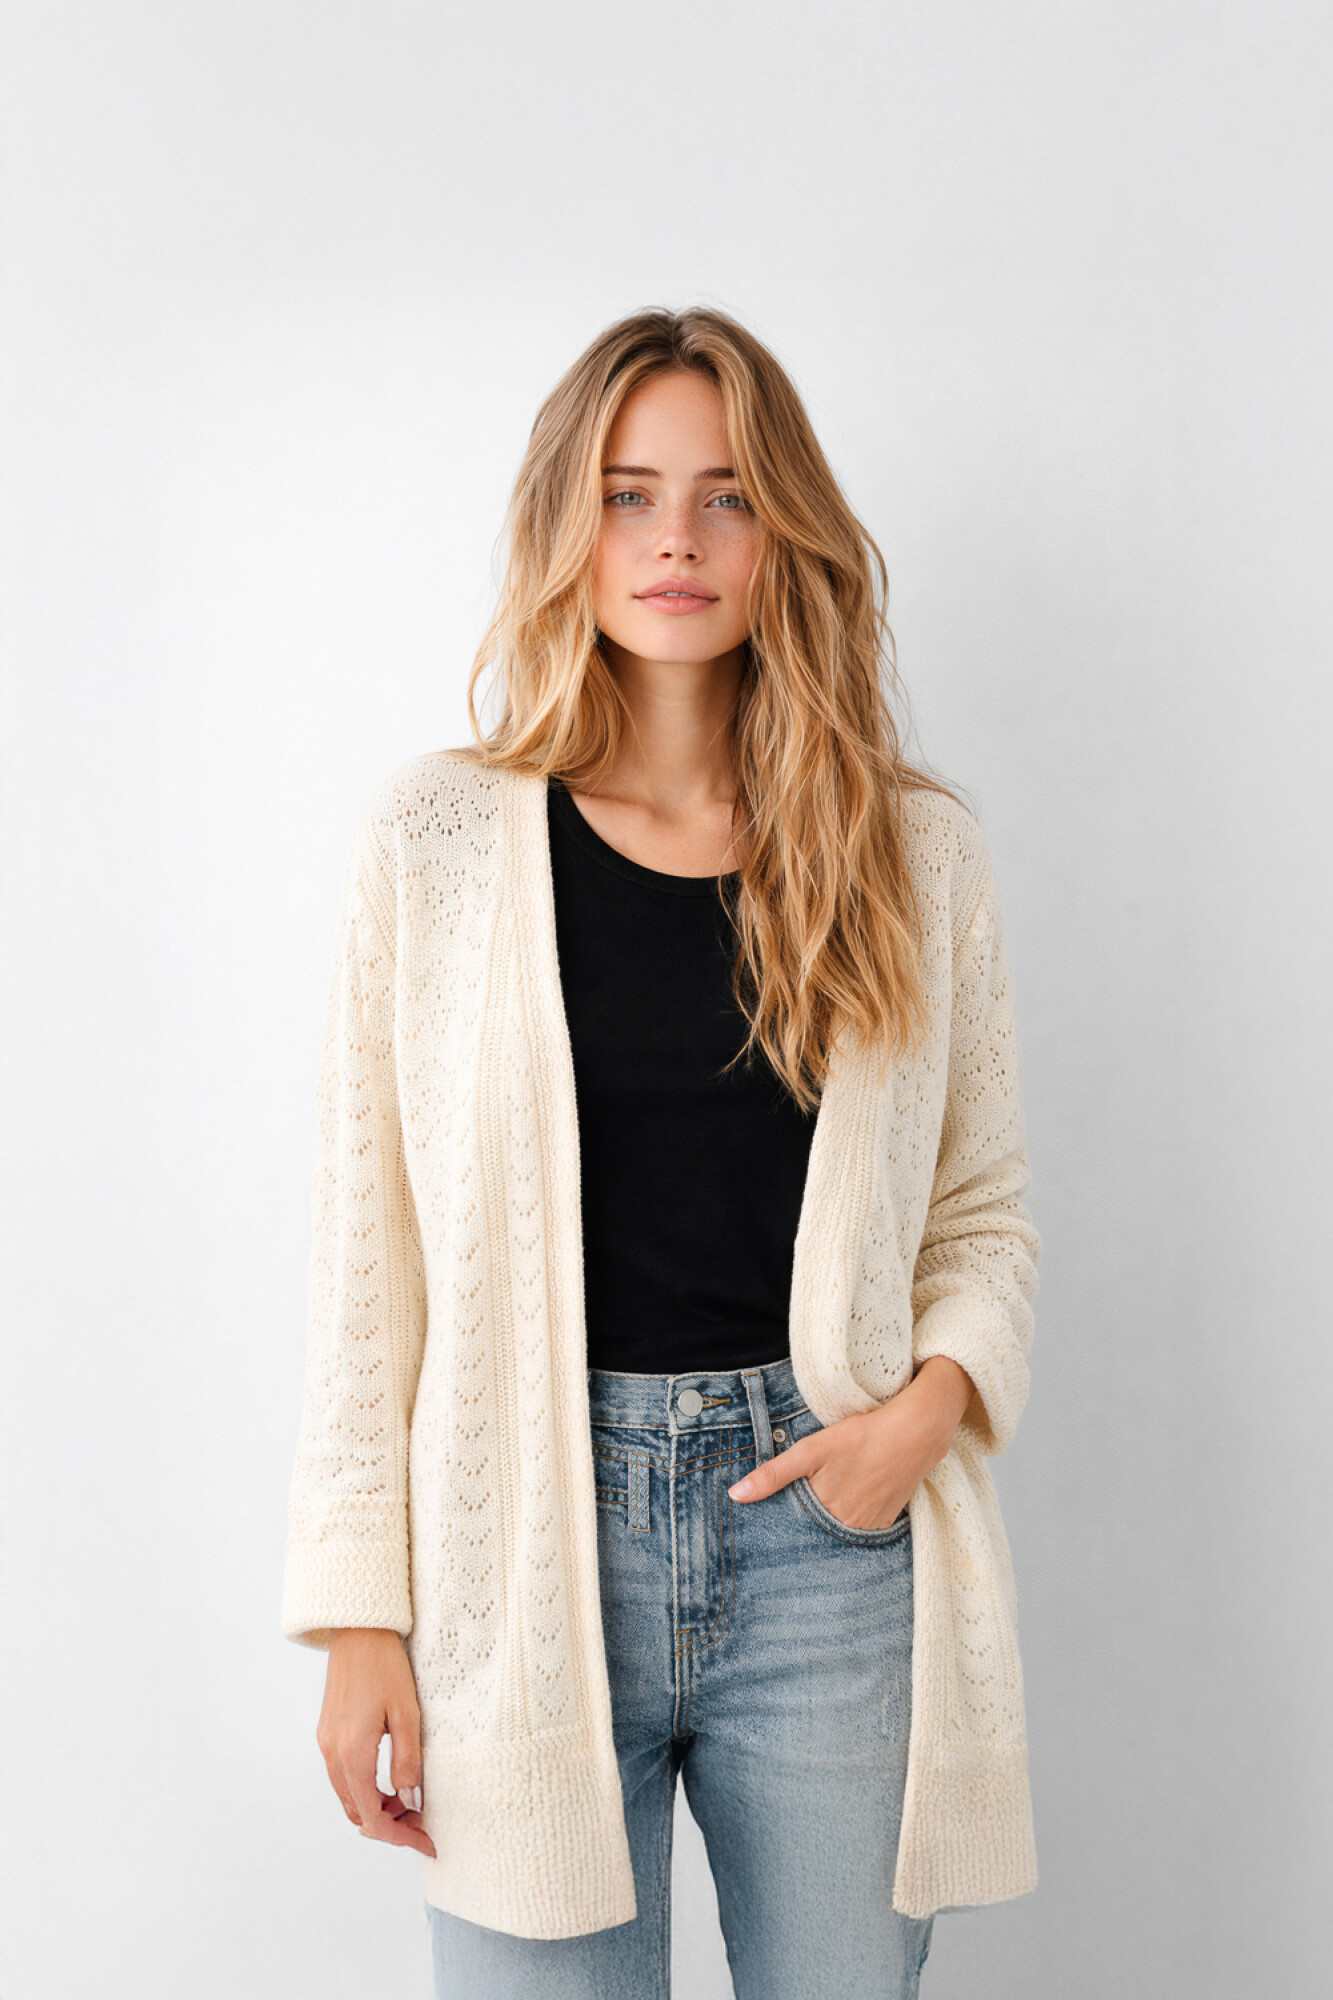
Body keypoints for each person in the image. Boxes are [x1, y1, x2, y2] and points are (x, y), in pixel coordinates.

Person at [281, 306, 1041, 2000]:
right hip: (517, 1540)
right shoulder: (435, 844)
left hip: (827, 1539)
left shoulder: (911, 853)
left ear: (788, 535)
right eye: (628, 495)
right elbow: (365, 1250)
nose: (675, 540)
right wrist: (357, 1616)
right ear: (569, 525)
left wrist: (919, 1417)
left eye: (726, 496)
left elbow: (980, 1213)